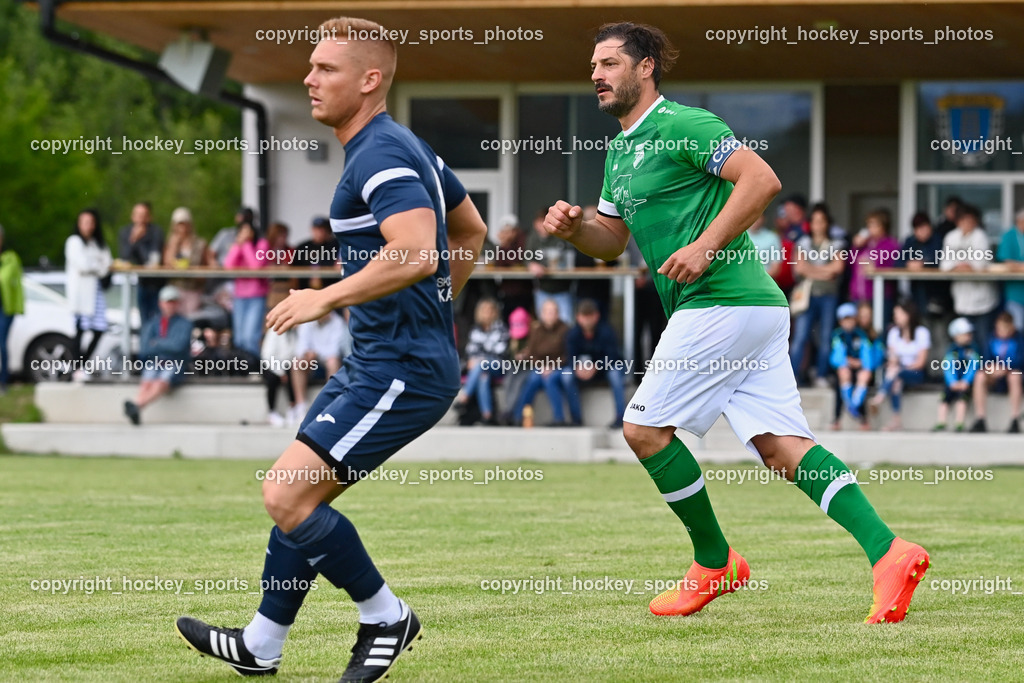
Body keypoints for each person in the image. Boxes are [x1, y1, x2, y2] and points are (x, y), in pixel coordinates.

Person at [543, 21, 927, 623]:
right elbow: (611, 240)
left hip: (720, 301)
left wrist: (705, 246)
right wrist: (576, 229)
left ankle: (714, 562)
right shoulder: (619, 152)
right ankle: (889, 552)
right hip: (752, 310)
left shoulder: (684, 124)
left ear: (646, 68)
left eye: (610, 63)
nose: (597, 75)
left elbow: (762, 179)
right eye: (593, 66)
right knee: (781, 447)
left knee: (643, 430)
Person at [174, 17, 488, 682]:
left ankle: (386, 616)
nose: (309, 79)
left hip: (400, 369)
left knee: (286, 495)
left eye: (326, 69)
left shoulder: (380, 153)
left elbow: (416, 250)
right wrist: (435, 307)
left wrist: (327, 297)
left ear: (370, 80)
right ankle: (262, 643)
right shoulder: (402, 146)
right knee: (300, 499)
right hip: (384, 362)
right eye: (311, 67)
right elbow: (470, 230)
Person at [789, 202, 845, 386]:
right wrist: (825, 272)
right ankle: (792, 377)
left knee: (826, 337)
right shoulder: (802, 243)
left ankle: (821, 375)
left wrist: (811, 270)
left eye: (822, 221)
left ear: (827, 223)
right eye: (815, 221)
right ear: (810, 224)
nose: (818, 225)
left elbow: (838, 268)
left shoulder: (837, 243)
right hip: (808, 296)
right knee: (800, 337)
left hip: (829, 295)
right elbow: (800, 269)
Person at [123, 285, 193, 425]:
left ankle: (136, 405)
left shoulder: (185, 323)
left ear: (178, 304)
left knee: (161, 381)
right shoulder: (153, 323)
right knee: (147, 381)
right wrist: (166, 344)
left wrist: (157, 343)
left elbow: (178, 347)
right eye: (168, 302)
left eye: (173, 302)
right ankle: (136, 407)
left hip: (175, 362)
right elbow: (145, 348)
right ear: (161, 303)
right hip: (155, 361)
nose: (170, 305)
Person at [940, 204, 999, 354]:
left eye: (971, 220)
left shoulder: (981, 236)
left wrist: (963, 264)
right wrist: (960, 264)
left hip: (984, 300)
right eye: (964, 220)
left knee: (983, 338)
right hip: (962, 298)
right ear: (958, 221)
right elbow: (945, 265)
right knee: (963, 339)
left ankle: (984, 368)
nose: (968, 223)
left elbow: (981, 263)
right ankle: (967, 368)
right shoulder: (951, 237)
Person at [511, 298, 578, 426]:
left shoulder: (566, 330)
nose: (550, 315)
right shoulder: (537, 330)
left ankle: (559, 418)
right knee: (532, 379)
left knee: (550, 379)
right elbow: (532, 353)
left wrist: (552, 366)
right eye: (547, 312)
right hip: (541, 367)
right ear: (542, 314)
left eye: (553, 312)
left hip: (561, 367)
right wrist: (542, 365)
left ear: (558, 314)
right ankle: (519, 417)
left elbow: (568, 354)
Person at [66, 209, 113, 380]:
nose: (88, 226)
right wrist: (100, 266)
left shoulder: (97, 244)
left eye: (91, 222)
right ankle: (77, 368)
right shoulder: (74, 242)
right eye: (85, 222)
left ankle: (82, 364)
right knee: (80, 330)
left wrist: (98, 266)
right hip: (81, 295)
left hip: (96, 293)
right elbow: (84, 265)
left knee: (99, 329)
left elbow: (108, 263)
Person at [567, 298, 628, 428]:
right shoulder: (573, 334)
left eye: (590, 316)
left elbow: (613, 356)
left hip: (604, 369)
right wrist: (577, 368)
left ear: (596, 316)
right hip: (583, 371)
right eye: (584, 316)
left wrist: (597, 366)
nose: (587, 320)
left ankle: (621, 416)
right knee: (566, 376)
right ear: (578, 317)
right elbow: (570, 357)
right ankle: (576, 419)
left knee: (615, 373)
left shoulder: (607, 331)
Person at [871, 299, 931, 431]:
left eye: (898, 314)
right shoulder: (893, 333)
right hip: (897, 373)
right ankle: (896, 420)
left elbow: (920, 363)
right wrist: (896, 365)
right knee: (896, 380)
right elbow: (892, 358)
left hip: (916, 372)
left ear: (908, 314)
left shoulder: (922, 332)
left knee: (895, 372)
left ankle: (880, 397)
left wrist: (900, 368)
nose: (895, 317)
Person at [454, 298, 508, 425]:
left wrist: (481, 357)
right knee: (483, 375)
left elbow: (500, 351)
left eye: (490, 310)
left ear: (495, 312)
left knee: (481, 364)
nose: (487, 313)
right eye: (484, 310)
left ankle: (464, 398)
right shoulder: (475, 329)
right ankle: (487, 415)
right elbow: (470, 351)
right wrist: (476, 359)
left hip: (498, 365)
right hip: (481, 367)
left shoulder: (501, 328)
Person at [289, 311, 351, 419]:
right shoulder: (306, 322)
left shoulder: (338, 323)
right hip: (312, 363)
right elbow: (300, 348)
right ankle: (301, 405)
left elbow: (334, 351)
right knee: (297, 363)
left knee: (332, 362)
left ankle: (330, 403)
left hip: (327, 362)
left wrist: (315, 353)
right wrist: (307, 354)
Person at [969, 311, 1022, 433]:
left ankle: (1015, 419)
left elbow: (1020, 360)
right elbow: (985, 358)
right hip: (994, 373)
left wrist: (1006, 368)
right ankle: (980, 419)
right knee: (980, 375)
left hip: (1013, 373)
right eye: (1000, 328)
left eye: (1006, 328)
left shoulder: (1019, 339)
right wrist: (991, 367)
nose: (1002, 332)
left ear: (1012, 327)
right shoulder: (991, 338)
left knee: (1015, 376)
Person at [224, 220, 270, 355]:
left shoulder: (262, 244)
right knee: (239, 339)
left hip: (256, 296)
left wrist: (246, 245)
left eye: (247, 231)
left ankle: (253, 365)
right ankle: (242, 365)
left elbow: (255, 266)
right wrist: (237, 247)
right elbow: (228, 265)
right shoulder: (237, 246)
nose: (244, 235)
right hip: (239, 296)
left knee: (250, 338)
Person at [849, 208, 900, 326]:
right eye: (869, 225)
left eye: (874, 225)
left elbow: (887, 265)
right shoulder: (864, 244)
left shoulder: (891, 244)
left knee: (879, 327)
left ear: (883, 226)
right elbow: (850, 263)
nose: (870, 229)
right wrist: (856, 247)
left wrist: (869, 263)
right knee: (859, 329)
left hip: (880, 295)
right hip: (859, 295)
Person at [117, 201, 165, 324]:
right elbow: (124, 257)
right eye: (138, 215)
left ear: (149, 217)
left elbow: (153, 258)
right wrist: (133, 239)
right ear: (132, 216)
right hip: (140, 282)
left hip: (158, 282)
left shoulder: (156, 232)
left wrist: (140, 239)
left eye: (144, 215)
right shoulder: (125, 232)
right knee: (144, 318)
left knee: (158, 319)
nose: (141, 218)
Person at [830, 302, 876, 426]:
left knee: (865, 375)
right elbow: (836, 356)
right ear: (840, 321)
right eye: (845, 320)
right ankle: (848, 410)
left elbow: (867, 353)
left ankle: (853, 406)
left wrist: (862, 364)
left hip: (859, 367)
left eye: (850, 319)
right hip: (844, 368)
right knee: (843, 373)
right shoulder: (838, 335)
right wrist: (847, 362)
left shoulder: (861, 334)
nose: (848, 322)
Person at [163, 206, 214, 315]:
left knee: (190, 318)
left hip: (193, 289)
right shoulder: (171, 243)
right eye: (179, 224)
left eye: (184, 223)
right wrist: (174, 245)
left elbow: (209, 265)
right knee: (174, 318)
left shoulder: (200, 244)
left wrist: (196, 272)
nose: (182, 227)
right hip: (175, 288)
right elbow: (167, 263)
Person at [526, 207, 574, 322]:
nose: (542, 226)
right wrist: (531, 264)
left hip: (562, 289)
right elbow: (526, 258)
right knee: (544, 324)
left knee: (565, 323)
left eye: (544, 222)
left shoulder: (562, 236)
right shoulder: (533, 238)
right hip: (542, 289)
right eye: (539, 223)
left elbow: (571, 258)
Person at [933, 317, 980, 432]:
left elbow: (973, 366)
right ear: (956, 335)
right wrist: (952, 382)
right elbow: (948, 367)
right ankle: (941, 422)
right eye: (965, 334)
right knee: (944, 399)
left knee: (962, 399)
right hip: (952, 383)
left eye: (969, 334)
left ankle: (959, 422)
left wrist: (966, 381)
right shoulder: (951, 350)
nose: (969, 336)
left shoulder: (972, 350)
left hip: (965, 383)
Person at [899, 212, 947, 318]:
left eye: (924, 228)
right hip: (916, 292)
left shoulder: (939, 240)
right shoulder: (910, 241)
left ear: (930, 227)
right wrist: (908, 263)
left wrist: (924, 263)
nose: (921, 232)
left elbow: (943, 262)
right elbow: (897, 262)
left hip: (937, 292)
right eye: (918, 229)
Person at [491, 214, 534, 318]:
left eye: (509, 231)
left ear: (515, 231)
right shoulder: (503, 245)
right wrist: (503, 246)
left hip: (523, 291)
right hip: (507, 291)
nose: (506, 234)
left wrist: (505, 246)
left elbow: (518, 261)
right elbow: (499, 264)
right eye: (504, 231)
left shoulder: (523, 241)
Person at [0, 224, 24, 393]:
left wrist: (19, 307)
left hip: (5, 308)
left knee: (2, 343)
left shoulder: (10, 259)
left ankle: (3, 381)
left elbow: (16, 286)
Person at [261, 328, 298, 427]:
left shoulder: (294, 333)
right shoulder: (274, 332)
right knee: (272, 378)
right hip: (271, 365)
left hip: (287, 365)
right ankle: (271, 412)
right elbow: (267, 356)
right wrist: (281, 373)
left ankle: (293, 407)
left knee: (293, 374)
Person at [292, 216, 340, 290]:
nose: (320, 232)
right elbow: (294, 269)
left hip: (330, 287)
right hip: (305, 288)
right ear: (312, 229)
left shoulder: (336, 245)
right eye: (317, 229)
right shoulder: (302, 247)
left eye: (323, 229)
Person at [996, 208, 1024, 331]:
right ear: (1019, 221)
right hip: (1015, 293)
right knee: (1016, 328)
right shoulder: (1009, 236)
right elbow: (1007, 262)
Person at [747, 213, 782, 280]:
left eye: (758, 216)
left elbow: (776, 268)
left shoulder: (772, 237)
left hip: (765, 280)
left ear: (764, 219)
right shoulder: (739, 236)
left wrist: (759, 279)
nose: (755, 219)